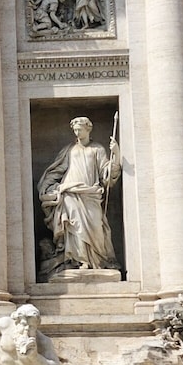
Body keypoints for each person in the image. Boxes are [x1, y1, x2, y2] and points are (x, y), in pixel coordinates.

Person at [37, 117, 121, 273]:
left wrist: (115, 153)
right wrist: (48, 186)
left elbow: (107, 175)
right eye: (75, 130)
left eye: (79, 129)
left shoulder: (98, 149)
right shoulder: (69, 150)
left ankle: (97, 261)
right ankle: (78, 260)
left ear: (88, 129)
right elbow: (57, 170)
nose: (77, 132)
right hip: (70, 192)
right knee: (74, 226)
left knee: (96, 227)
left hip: (91, 193)